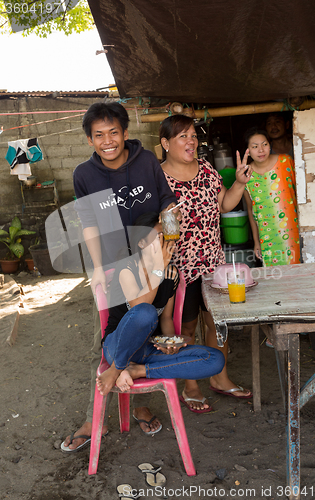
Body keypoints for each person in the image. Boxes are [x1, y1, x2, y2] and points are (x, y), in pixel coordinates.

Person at [61, 102, 178, 452]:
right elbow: (90, 224)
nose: (107, 140)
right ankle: (93, 419)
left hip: (152, 255)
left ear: (125, 133)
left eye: (114, 132)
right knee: (108, 336)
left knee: (148, 325)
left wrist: (160, 239)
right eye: (99, 135)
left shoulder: (145, 162)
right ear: (89, 139)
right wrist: (97, 266)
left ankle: (139, 404)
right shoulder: (84, 174)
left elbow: (168, 205)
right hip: (113, 266)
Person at [159, 115, 253, 413]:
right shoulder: (157, 178)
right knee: (185, 328)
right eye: (182, 137)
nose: (191, 141)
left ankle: (220, 378)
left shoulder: (208, 170)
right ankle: (191, 386)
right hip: (179, 268)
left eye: (192, 136)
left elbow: (225, 205)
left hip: (213, 264)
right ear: (165, 143)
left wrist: (238, 183)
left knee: (217, 323)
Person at [96, 212, 225, 397]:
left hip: (147, 349)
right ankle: (118, 367)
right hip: (117, 347)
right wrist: (158, 268)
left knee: (214, 359)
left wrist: (170, 342)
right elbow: (140, 308)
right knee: (146, 312)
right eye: (157, 237)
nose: (164, 241)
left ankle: (137, 371)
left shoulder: (171, 273)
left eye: (165, 235)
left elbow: (165, 318)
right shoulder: (127, 268)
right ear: (141, 243)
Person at [243, 127, 300, 266]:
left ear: (270, 146)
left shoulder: (286, 161)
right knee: (274, 280)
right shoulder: (246, 176)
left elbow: (299, 197)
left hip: (292, 233)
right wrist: (256, 242)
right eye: (255, 146)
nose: (261, 150)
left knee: (296, 277)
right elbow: (251, 211)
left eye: (265, 144)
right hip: (266, 237)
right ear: (248, 151)